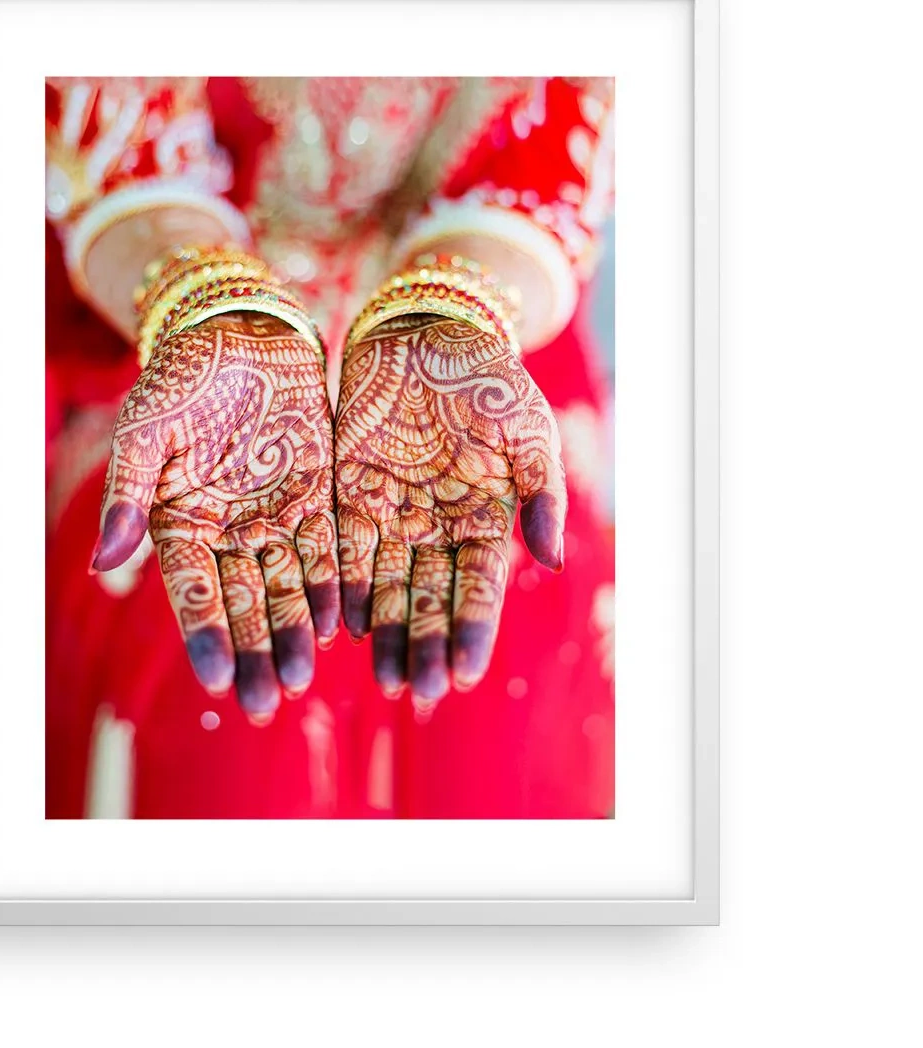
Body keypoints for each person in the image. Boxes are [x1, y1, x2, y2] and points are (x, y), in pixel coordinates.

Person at [45, 77, 614, 818]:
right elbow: (109, 119)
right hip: (174, 377)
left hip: (481, 380)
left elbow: (553, 134)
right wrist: (204, 304)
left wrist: (456, 312)